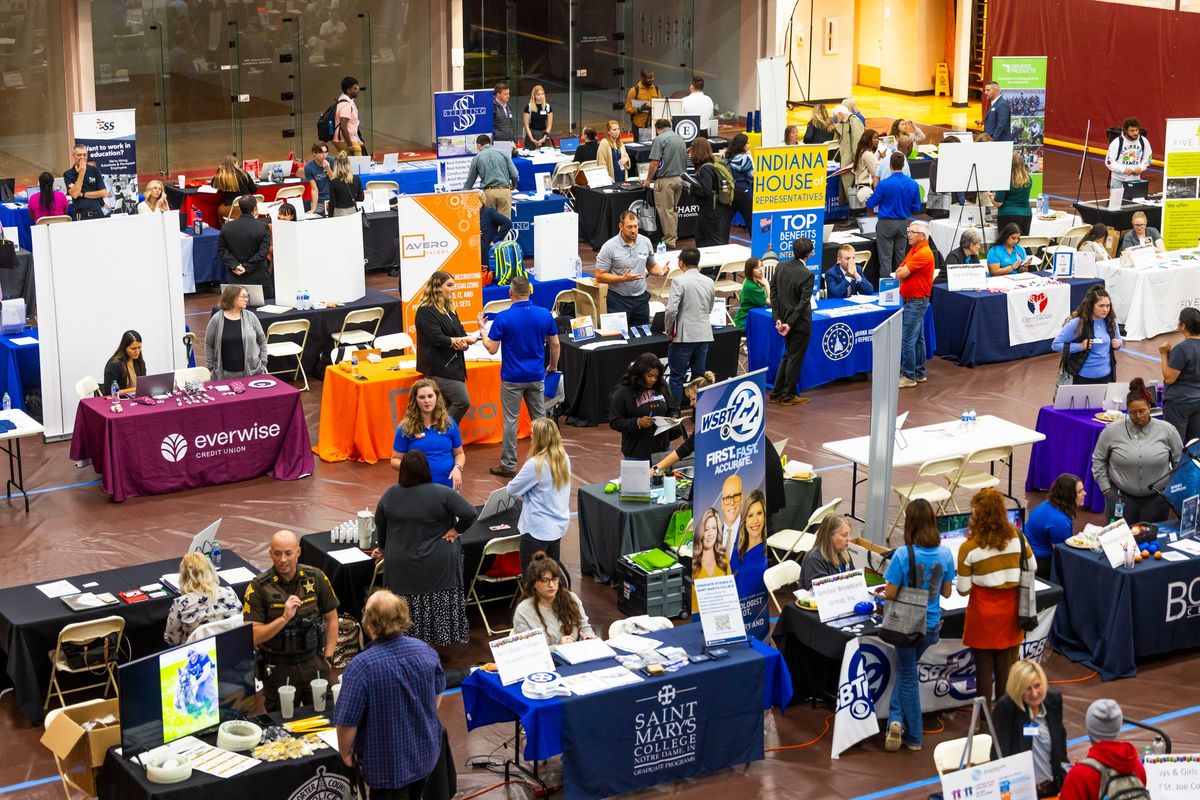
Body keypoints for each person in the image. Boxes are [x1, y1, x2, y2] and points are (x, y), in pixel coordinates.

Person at [333, 591, 444, 800]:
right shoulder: (425, 651)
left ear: (368, 622)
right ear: (402, 616)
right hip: (425, 756)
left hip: (386, 767)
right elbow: (437, 697)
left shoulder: (361, 667)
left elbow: (347, 722)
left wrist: (345, 752)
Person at [373, 451, 477, 647]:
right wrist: (456, 530)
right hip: (439, 567)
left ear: (402, 471)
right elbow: (470, 513)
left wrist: (383, 548)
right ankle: (438, 642)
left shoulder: (390, 495)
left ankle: (406, 643)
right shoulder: (442, 493)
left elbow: (380, 524)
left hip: (403, 568)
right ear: (426, 470)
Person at [882, 499, 955, 752]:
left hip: (906, 627)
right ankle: (894, 720)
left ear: (909, 524)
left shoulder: (903, 554)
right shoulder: (945, 554)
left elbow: (890, 593)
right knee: (906, 673)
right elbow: (946, 592)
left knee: (909, 677)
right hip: (931, 625)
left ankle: (914, 736)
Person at [243, 530, 338, 710]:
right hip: (279, 667)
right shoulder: (258, 587)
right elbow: (252, 636)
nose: (283, 559)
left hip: (314, 662)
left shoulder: (316, 577)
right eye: (277, 554)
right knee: (282, 725)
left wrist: (329, 655)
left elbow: (332, 619)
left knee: (328, 717)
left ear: (298, 552)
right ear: (270, 553)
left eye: (288, 553)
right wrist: (284, 618)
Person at [957, 488, 1036, 702]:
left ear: (978, 515)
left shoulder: (968, 548)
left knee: (983, 670)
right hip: (1011, 613)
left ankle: (984, 724)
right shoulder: (1018, 538)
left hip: (982, 614)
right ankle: (1004, 717)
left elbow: (963, 589)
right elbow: (1032, 566)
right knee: (1006, 670)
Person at [478, 276, 560, 477]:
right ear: (530, 292)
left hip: (512, 378)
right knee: (540, 420)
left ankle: (508, 465)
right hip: (536, 375)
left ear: (510, 293)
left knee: (510, 421)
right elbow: (555, 345)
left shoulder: (503, 318)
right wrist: (552, 366)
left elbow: (491, 348)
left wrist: (482, 329)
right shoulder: (544, 315)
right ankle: (547, 460)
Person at [1093, 378, 1183, 522]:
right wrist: (1106, 490)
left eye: (1142, 411)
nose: (1138, 416)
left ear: (1150, 406)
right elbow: (1098, 460)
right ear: (1127, 410)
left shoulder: (1168, 430)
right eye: (1133, 412)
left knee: (1153, 542)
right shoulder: (1111, 431)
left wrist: (1170, 490)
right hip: (1120, 498)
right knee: (1119, 542)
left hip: (1157, 500)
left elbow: (1180, 462)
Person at [991, 661, 1069, 798]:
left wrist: (1066, 775)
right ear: (1017, 688)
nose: (1034, 693)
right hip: (1021, 792)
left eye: (1037, 686)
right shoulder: (1006, 708)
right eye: (1027, 688)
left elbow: (1061, 741)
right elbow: (999, 755)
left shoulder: (1053, 699)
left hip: (1053, 788)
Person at [507, 418, 572, 573]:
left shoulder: (535, 464)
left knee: (532, 580)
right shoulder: (564, 458)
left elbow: (512, 490)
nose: (530, 437)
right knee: (551, 577)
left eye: (532, 435)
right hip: (557, 528)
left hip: (537, 531)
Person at [414, 271, 475, 421]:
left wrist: (464, 343)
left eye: (453, 285)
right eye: (449, 285)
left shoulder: (449, 308)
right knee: (462, 401)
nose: (453, 289)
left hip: (454, 367)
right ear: (437, 287)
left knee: (445, 406)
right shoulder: (425, 311)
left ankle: (441, 439)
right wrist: (459, 340)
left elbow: (460, 331)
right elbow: (438, 339)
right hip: (438, 368)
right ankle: (442, 432)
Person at [391, 379, 465, 490]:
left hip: (448, 488)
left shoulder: (449, 424)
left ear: (437, 397)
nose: (427, 401)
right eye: (422, 397)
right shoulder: (405, 428)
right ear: (415, 400)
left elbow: (459, 453)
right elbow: (394, 460)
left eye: (430, 396)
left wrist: (458, 468)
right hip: (418, 489)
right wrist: (412, 470)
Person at [594, 210, 665, 327]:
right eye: (629, 227)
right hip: (618, 301)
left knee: (643, 337)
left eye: (636, 226)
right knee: (618, 339)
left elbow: (651, 266)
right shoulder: (609, 247)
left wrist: (661, 270)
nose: (633, 230)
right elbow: (599, 276)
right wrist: (622, 278)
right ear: (621, 226)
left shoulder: (645, 242)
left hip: (641, 300)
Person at [664, 247, 715, 405]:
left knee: (677, 378)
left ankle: (675, 415)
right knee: (699, 377)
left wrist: (668, 330)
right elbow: (710, 308)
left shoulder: (679, 281)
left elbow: (672, 310)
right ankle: (699, 413)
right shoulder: (709, 281)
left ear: (681, 263)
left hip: (684, 336)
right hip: (704, 333)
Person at [769, 237, 816, 406]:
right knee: (794, 358)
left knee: (787, 356)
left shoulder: (780, 266)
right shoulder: (807, 275)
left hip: (783, 321)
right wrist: (790, 323)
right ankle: (788, 395)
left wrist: (778, 319)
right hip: (799, 324)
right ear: (809, 254)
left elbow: (773, 293)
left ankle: (776, 393)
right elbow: (803, 304)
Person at [512, 553, 595, 647]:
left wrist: (588, 637)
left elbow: (585, 628)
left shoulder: (572, 598)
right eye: (545, 580)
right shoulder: (523, 610)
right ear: (534, 583)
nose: (551, 585)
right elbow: (529, 650)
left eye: (554, 579)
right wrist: (559, 647)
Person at [163, 552, 241, 646]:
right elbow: (241, 623)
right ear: (211, 570)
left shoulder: (182, 603)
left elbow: (172, 640)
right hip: (231, 645)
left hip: (197, 653)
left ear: (184, 576)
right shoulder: (230, 592)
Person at [609, 352, 674, 461]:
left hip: (662, 450)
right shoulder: (623, 392)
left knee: (666, 479)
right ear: (639, 373)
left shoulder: (661, 385)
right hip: (636, 454)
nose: (653, 380)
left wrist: (673, 417)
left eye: (656, 376)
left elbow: (673, 407)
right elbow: (615, 421)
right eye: (649, 376)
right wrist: (637, 422)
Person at [866, 152, 922, 278]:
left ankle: (887, 291)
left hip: (885, 224)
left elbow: (871, 204)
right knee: (901, 258)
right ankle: (901, 288)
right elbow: (917, 208)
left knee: (885, 260)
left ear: (890, 165)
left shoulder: (884, 184)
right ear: (903, 165)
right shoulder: (913, 184)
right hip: (903, 223)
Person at [1053, 285, 1121, 385]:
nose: (1105, 309)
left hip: (1107, 378)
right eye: (1101, 306)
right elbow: (1056, 345)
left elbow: (1119, 339)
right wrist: (1080, 346)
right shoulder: (1076, 323)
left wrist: (1118, 343)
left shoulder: (1111, 321)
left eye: (1108, 306)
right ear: (1091, 305)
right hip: (1082, 379)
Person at [652, 371, 718, 475]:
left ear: (704, 395)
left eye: (693, 399)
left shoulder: (710, 419)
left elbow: (686, 448)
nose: (691, 404)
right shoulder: (701, 410)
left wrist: (655, 468)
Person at [897, 221, 934, 388]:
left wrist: (903, 272)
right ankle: (919, 373)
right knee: (918, 338)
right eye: (908, 231)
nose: (909, 234)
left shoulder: (923, 253)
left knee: (908, 339)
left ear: (923, 236)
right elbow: (900, 270)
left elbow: (902, 273)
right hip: (915, 300)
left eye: (912, 232)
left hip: (916, 301)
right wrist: (902, 272)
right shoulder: (914, 250)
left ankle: (909, 376)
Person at [1026, 474, 1085, 579]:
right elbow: (1064, 552)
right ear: (1069, 495)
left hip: (1030, 554)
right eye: (1080, 492)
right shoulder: (1059, 520)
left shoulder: (1050, 504)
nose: (1084, 494)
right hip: (1040, 563)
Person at [204, 284, 268, 379]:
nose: (246, 299)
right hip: (224, 375)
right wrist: (211, 367)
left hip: (252, 372)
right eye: (243, 296)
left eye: (247, 296)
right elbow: (208, 344)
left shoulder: (251, 317)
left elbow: (262, 340)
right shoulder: (216, 319)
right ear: (232, 297)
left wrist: (263, 362)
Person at [644, 118, 688, 249]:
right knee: (673, 210)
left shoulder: (660, 139)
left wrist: (648, 179)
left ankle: (669, 240)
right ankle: (673, 236)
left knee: (665, 211)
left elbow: (654, 162)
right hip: (679, 179)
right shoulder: (680, 138)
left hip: (665, 180)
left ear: (657, 129)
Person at [1161, 306, 1200, 443]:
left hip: (1179, 403)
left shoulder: (1182, 349)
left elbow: (1169, 378)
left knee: (1174, 444)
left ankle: (1174, 465)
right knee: (1194, 444)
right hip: (1197, 401)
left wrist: (1163, 354)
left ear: (1183, 325)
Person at [217, 195, 272, 290]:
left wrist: (235, 266)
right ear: (255, 208)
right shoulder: (263, 227)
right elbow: (262, 253)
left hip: (234, 280)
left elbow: (222, 251)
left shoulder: (226, 227)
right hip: (258, 280)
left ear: (240, 209)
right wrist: (246, 267)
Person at [463, 134, 520, 217]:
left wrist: (463, 195)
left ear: (478, 145)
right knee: (504, 225)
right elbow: (515, 175)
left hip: (489, 194)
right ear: (489, 143)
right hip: (504, 191)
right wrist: (514, 185)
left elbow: (469, 183)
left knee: (490, 226)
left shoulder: (477, 158)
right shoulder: (503, 153)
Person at [691, 137, 733, 247]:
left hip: (709, 209)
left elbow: (706, 191)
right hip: (714, 208)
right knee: (701, 236)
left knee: (712, 240)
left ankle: (719, 263)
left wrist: (692, 188)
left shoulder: (705, 169)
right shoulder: (712, 164)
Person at [690, 508, 730, 610]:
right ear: (701, 532)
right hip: (698, 618)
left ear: (718, 531)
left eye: (714, 528)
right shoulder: (693, 563)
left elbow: (730, 596)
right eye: (706, 529)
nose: (710, 534)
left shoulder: (724, 561)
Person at [799, 514, 853, 590]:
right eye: (844, 535)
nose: (849, 539)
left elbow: (853, 580)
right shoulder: (814, 560)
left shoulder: (844, 553)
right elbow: (820, 592)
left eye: (849, 535)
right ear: (830, 536)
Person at [731, 489, 769, 591]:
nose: (755, 521)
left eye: (759, 513)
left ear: (765, 515)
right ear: (745, 519)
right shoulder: (736, 551)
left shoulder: (767, 550)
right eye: (750, 515)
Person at [63, 144, 108, 220]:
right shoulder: (68, 174)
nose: (82, 158)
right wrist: (82, 173)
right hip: (80, 215)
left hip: (97, 213)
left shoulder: (94, 170)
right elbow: (74, 194)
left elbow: (103, 193)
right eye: (79, 155)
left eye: (85, 155)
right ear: (73, 156)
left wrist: (83, 194)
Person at [1105, 117, 1151, 190]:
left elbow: (1148, 158)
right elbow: (1109, 162)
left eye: (1136, 130)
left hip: (1135, 180)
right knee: (1116, 201)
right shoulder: (1117, 142)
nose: (1135, 133)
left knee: (1133, 201)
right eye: (1132, 131)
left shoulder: (1144, 141)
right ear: (1126, 131)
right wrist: (1123, 169)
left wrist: (1141, 168)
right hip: (1118, 180)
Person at [994, 152, 1033, 235]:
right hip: (1025, 215)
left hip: (1007, 215)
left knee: (1005, 244)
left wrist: (990, 197)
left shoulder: (1005, 179)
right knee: (1022, 243)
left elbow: (998, 203)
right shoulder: (1028, 179)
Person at [833, 104, 865, 204]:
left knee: (853, 188)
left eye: (836, 116)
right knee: (849, 189)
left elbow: (857, 141)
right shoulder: (844, 123)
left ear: (840, 114)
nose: (836, 119)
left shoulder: (853, 120)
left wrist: (856, 159)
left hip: (853, 161)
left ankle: (855, 210)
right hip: (847, 161)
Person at [210, 154, 257, 220]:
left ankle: (224, 228)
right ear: (234, 164)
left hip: (232, 209)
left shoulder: (222, 177)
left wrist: (219, 170)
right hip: (248, 208)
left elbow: (213, 184)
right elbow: (253, 189)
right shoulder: (244, 173)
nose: (238, 166)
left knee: (219, 209)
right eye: (237, 164)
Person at [102, 330, 147, 396]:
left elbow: (143, 384)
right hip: (120, 401)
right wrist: (133, 389)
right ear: (124, 348)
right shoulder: (114, 364)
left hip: (136, 399)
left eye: (139, 347)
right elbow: (109, 392)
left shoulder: (139, 361)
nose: (137, 352)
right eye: (133, 348)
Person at [725, 132, 754, 230]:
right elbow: (751, 176)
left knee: (725, 220)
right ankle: (757, 244)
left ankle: (721, 243)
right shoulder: (746, 157)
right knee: (751, 220)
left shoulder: (729, 157)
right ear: (742, 145)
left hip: (731, 191)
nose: (749, 145)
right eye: (747, 143)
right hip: (743, 190)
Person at [848, 130, 880, 211]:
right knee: (871, 217)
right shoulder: (868, 154)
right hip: (867, 189)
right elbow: (875, 174)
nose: (877, 140)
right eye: (875, 138)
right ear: (868, 139)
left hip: (861, 187)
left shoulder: (861, 151)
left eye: (878, 138)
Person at [733, 258, 768, 330]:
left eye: (761, 266)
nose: (761, 269)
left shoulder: (754, 281)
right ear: (750, 271)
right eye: (756, 268)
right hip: (746, 322)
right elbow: (771, 302)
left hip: (755, 317)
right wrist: (767, 285)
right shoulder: (751, 287)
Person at [333, 76, 365, 155]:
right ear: (348, 90)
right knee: (358, 166)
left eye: (357, 87)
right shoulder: (346, 105)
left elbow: (352, 125)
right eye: (355, 88)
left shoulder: (347, 101)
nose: (358, 90)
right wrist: (350, 146)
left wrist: (358, 140)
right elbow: (343, 126)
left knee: (347, 165)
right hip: (345, 140)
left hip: (347, 139)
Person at [327, 151, 364, 217]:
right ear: (348, 164)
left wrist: (330, 217)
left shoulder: (333, 182)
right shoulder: (356, 178)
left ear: (336, 166)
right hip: (353, 212)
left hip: (339, 213)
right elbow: (361, 198)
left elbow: (333, 203)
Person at [304, 142, 333, 215]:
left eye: (326, 152)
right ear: (314, 153)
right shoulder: (309, 167)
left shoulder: (332, 161)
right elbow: (314, 189)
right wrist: (313, 209)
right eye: (321, 153)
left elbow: (335, 181)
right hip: (319, 201)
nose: (324, 155)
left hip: (333, 199)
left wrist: (328, 169)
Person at [522, 85, 553, 150]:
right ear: (534, 96)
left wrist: (544, 137)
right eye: (538, 94)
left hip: (544, 134)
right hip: (532, 133)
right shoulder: (529, 107)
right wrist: (531, 138)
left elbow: (549, 125)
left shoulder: (547, 107)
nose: (541, 96)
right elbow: (526, 126)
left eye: (542, 94)